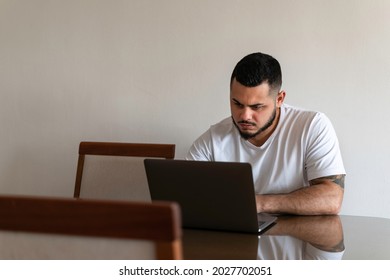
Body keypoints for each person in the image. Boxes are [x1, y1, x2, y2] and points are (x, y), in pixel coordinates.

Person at [186, 52, 346, 215]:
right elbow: (184, 196)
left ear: (279, 99)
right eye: (237, 103)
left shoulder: (312, 126)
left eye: (256, 107)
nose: (245, 115)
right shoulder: (212, 140)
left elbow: (332, 198)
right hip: (233, 237)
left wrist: (259, 203)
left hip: (296, 236)